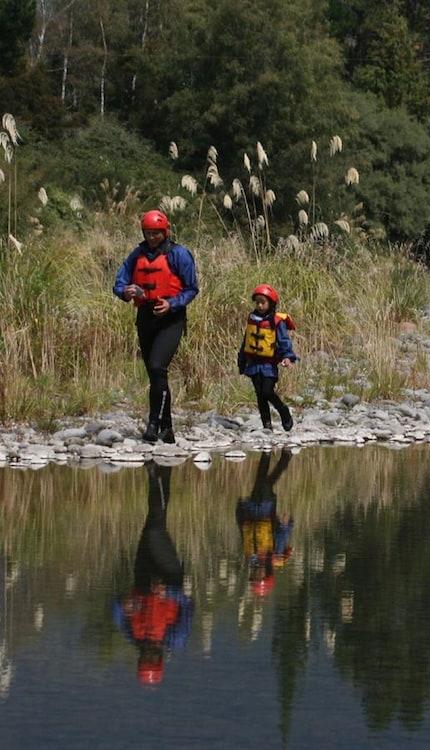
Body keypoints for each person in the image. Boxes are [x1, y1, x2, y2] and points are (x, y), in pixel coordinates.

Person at [113, 210, 198, 443]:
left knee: (158, 366)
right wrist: (125, 291)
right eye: (148, 233)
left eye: (156, 233)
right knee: (155, 375)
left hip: (171, 319)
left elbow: (192, 288)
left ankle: (153, 424)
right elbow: (119, 282)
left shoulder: (179, 254)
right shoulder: (136, 254)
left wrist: (171, 304)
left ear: (166, 231)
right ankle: (167, 428)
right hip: (145, 317)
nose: (152, 237)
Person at [112, 462, 193, 685]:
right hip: (169, 575)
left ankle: (164, 470)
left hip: (142, 575)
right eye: (151, 658)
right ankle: (152, 474)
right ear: (159, 660)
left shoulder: (133, 636)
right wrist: (168, 593)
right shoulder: (175, 639)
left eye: (144, 658)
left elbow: (116, 609)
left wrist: (125, 603)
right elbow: (188, 604)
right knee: (155, 529)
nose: (148, 653)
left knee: (155, 520)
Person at [238, 284, 298, 431]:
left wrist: (287, 357)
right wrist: (242, 360)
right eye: (257, 302)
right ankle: (267, 425)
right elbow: (246, 340)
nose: (259, 305)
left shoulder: (277, 321)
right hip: (253, 364)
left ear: (270, 303)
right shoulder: (252, 318)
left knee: (267, 391)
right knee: (260, 395)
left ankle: (284, 411)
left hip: (268, 365)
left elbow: (284, 340)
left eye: (262, 302)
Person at [237, 450, 294, 597]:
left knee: (262, 480)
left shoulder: (251, 557)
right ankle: (274, 454)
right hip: (266, 508)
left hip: (251, 508)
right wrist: (287, 523)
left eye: (254, 576)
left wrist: (240, 509)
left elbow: (242, 530)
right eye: (259, 576)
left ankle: (278, 456)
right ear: (267, 574)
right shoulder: (274, 554)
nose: (257, 573)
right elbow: (282, 535)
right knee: (263, 483)